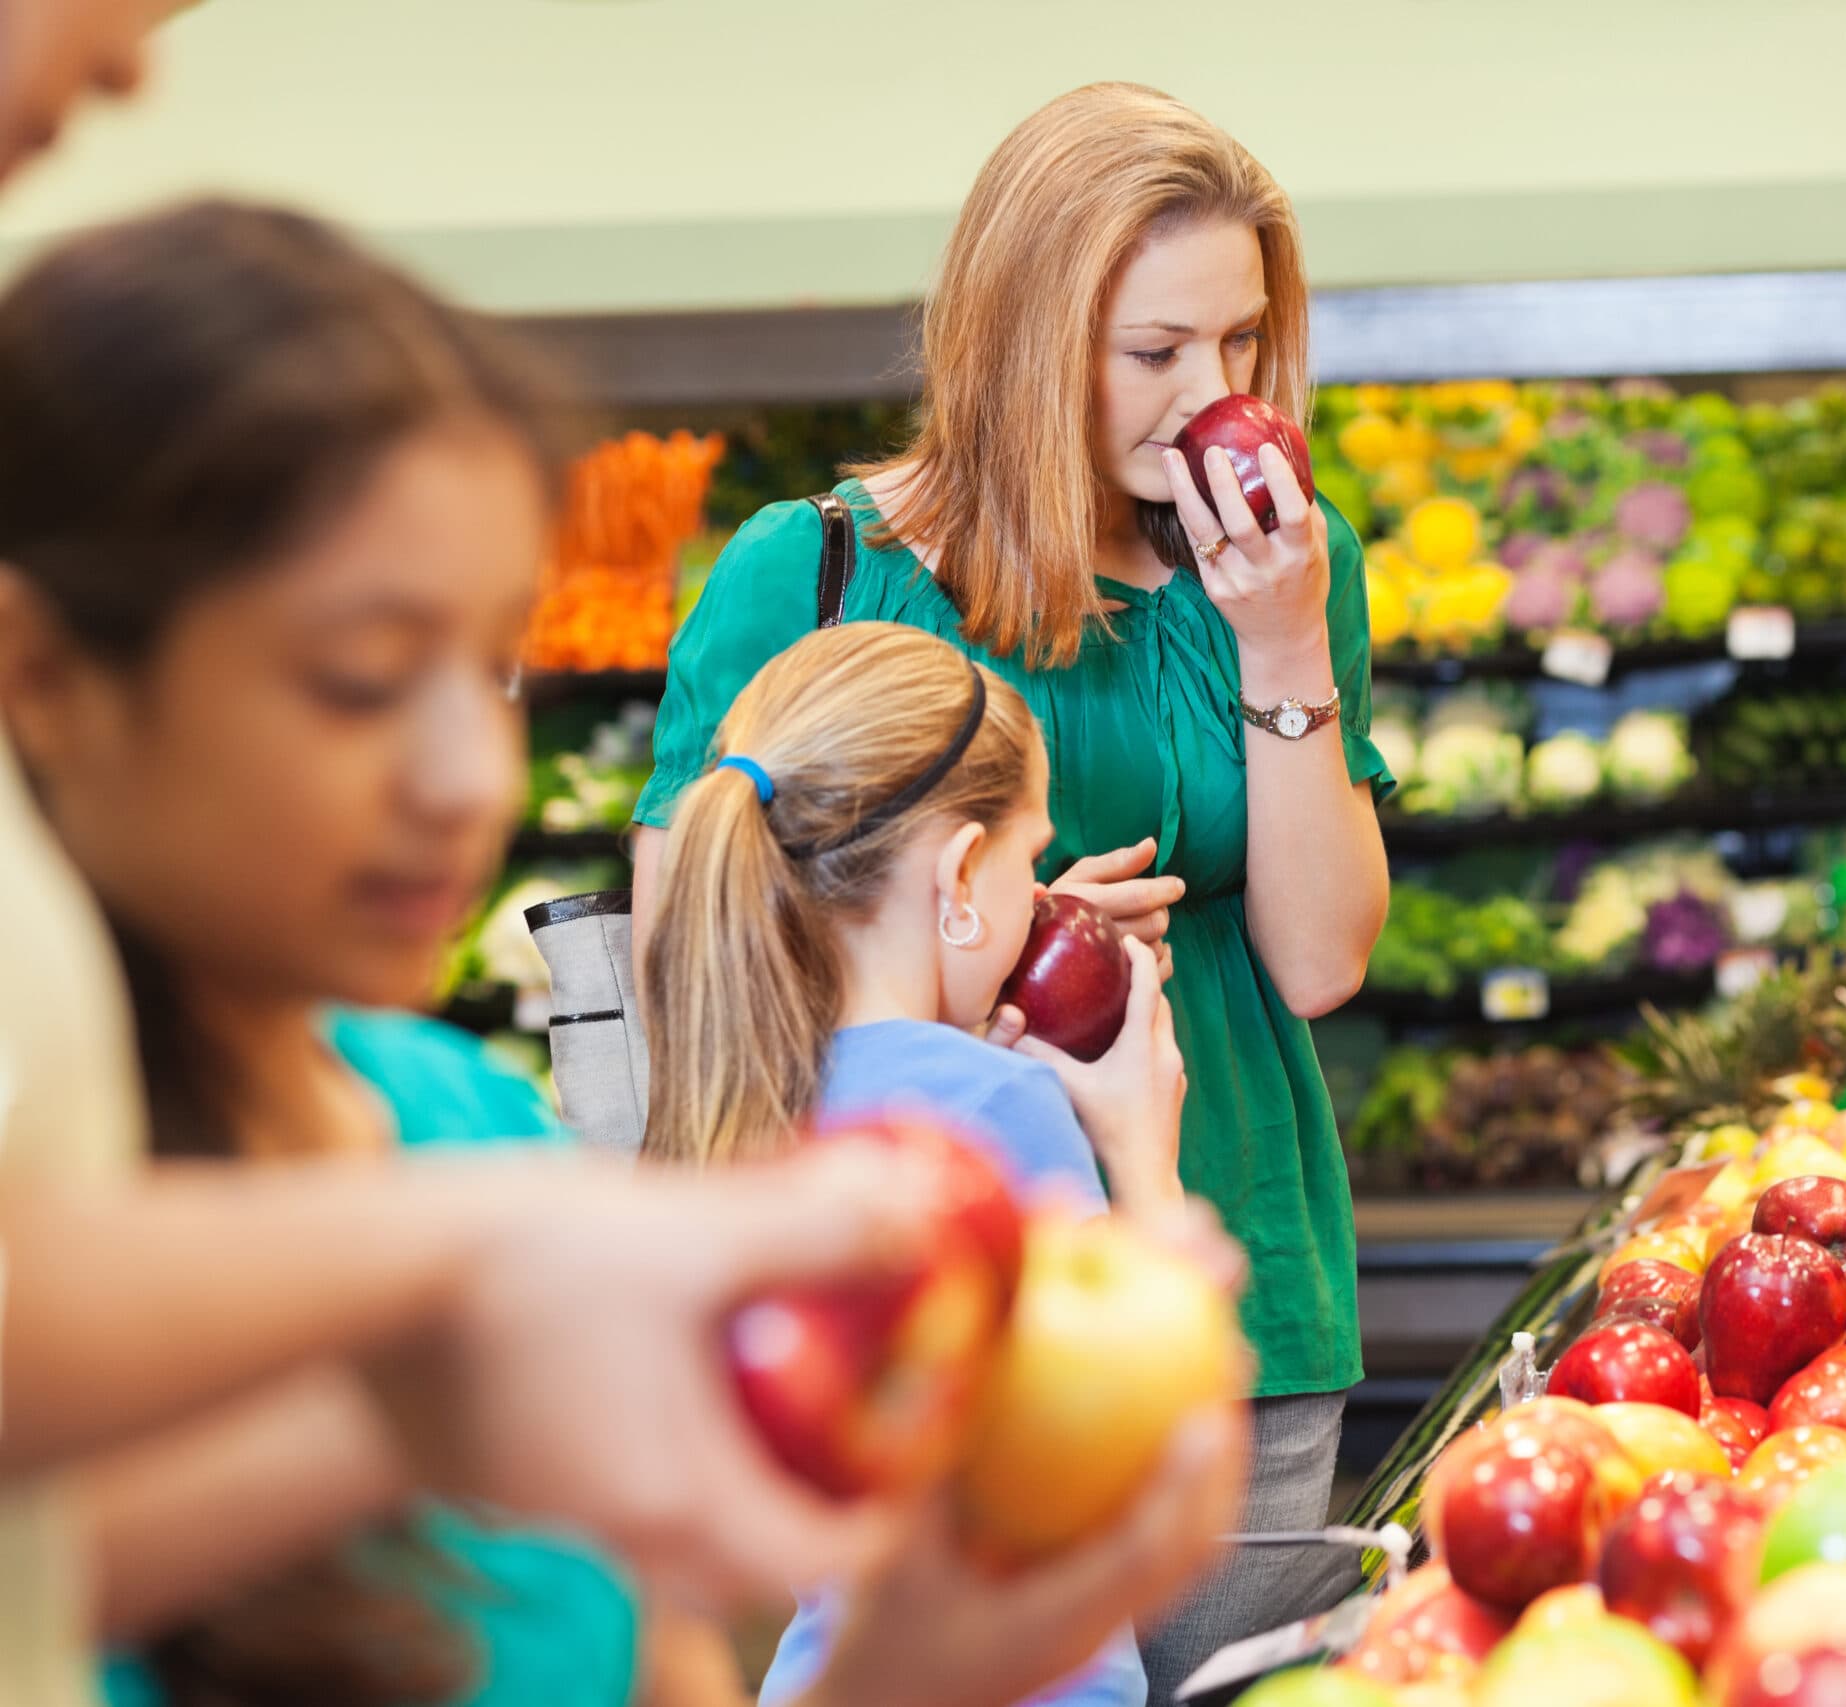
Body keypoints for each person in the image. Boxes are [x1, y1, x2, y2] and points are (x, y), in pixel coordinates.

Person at [0, 194, 1241, 1707]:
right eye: (359, 679)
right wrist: (478, 1279)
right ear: (46, 679)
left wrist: (928, 1655)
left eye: (491, 667)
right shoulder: (436, 1212)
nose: (474, 778)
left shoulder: (470, 1126)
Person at [631, 82, 1393, 1698]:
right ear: (1026, 333)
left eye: (1244, 345)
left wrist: (1279, 645)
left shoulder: (1280, 558)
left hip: (1232, 1274)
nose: (1215, 396)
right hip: (903, 1328)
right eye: (1158, 352)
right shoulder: (815, 568)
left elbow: (1320, 960)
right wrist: (1003, 945)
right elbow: (684, 944)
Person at [643, 619, 1203, 1703]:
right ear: (957, 875)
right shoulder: (1001, 1104)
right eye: (1031, 858)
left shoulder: (756, 1091)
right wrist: (1144, 1151)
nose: (1043, 899)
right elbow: (1143, 1454)